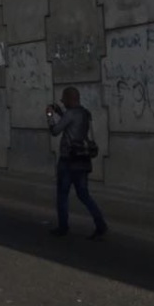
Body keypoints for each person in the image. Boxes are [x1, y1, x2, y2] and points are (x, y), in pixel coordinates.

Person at [47, 87, 108, 238]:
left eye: (64, 99)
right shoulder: (85, 113)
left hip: (68, 160)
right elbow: (72, 123)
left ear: (69, 99)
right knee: (83, 194)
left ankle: (63, 227)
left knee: (62, 195)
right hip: (83, 160)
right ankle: (100, 223)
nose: (63, 102)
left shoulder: (70, 114)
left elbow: (55, 130)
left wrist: (49, 115)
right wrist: (60, 112)